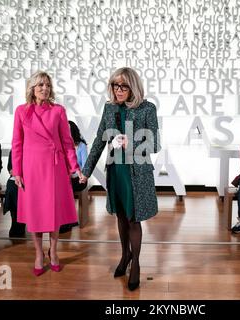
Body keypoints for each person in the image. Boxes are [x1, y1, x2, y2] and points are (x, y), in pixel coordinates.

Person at [79, 67, 161, 291]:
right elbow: (98, 140)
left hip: (137, 173)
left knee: (134, 219)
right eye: (115, 85)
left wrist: (131, 142)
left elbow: (155, 144)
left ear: (133, 86)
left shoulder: (147, 108)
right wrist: (86, 171)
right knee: (122, 216)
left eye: (123, 85)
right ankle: (125, 256)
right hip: (116, 171)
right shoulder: (109, 108)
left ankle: (136, 264)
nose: (119, 90)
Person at [12, 71, 84, 276]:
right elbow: (17, 143)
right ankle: (38, 253)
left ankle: (53, 251)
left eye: (48, 85)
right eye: (41, 85)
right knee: (35, 212)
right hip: (31, 168)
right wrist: (17, 170)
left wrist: (74, 167)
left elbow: (67, 143)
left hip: (54, 167)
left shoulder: (58, 110)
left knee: (53, 212)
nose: (45, 89)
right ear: (32, 88)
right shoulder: (21, 111)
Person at [58, 121, 88, 234]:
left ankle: (67, 221)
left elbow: (85, 166)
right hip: (65, 178)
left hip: (79, 178)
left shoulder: (81, 146)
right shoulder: (61, 144)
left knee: (65, 187)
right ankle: (65, 219)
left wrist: (75, 172)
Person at [3, 151, 26, 238]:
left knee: (21, 188)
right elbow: (10, 168)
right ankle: (15, 221)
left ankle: (22, 221)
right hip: (17, 178)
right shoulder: (13, 151)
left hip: (31, 178)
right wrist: (17, 175)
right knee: (12, 186)